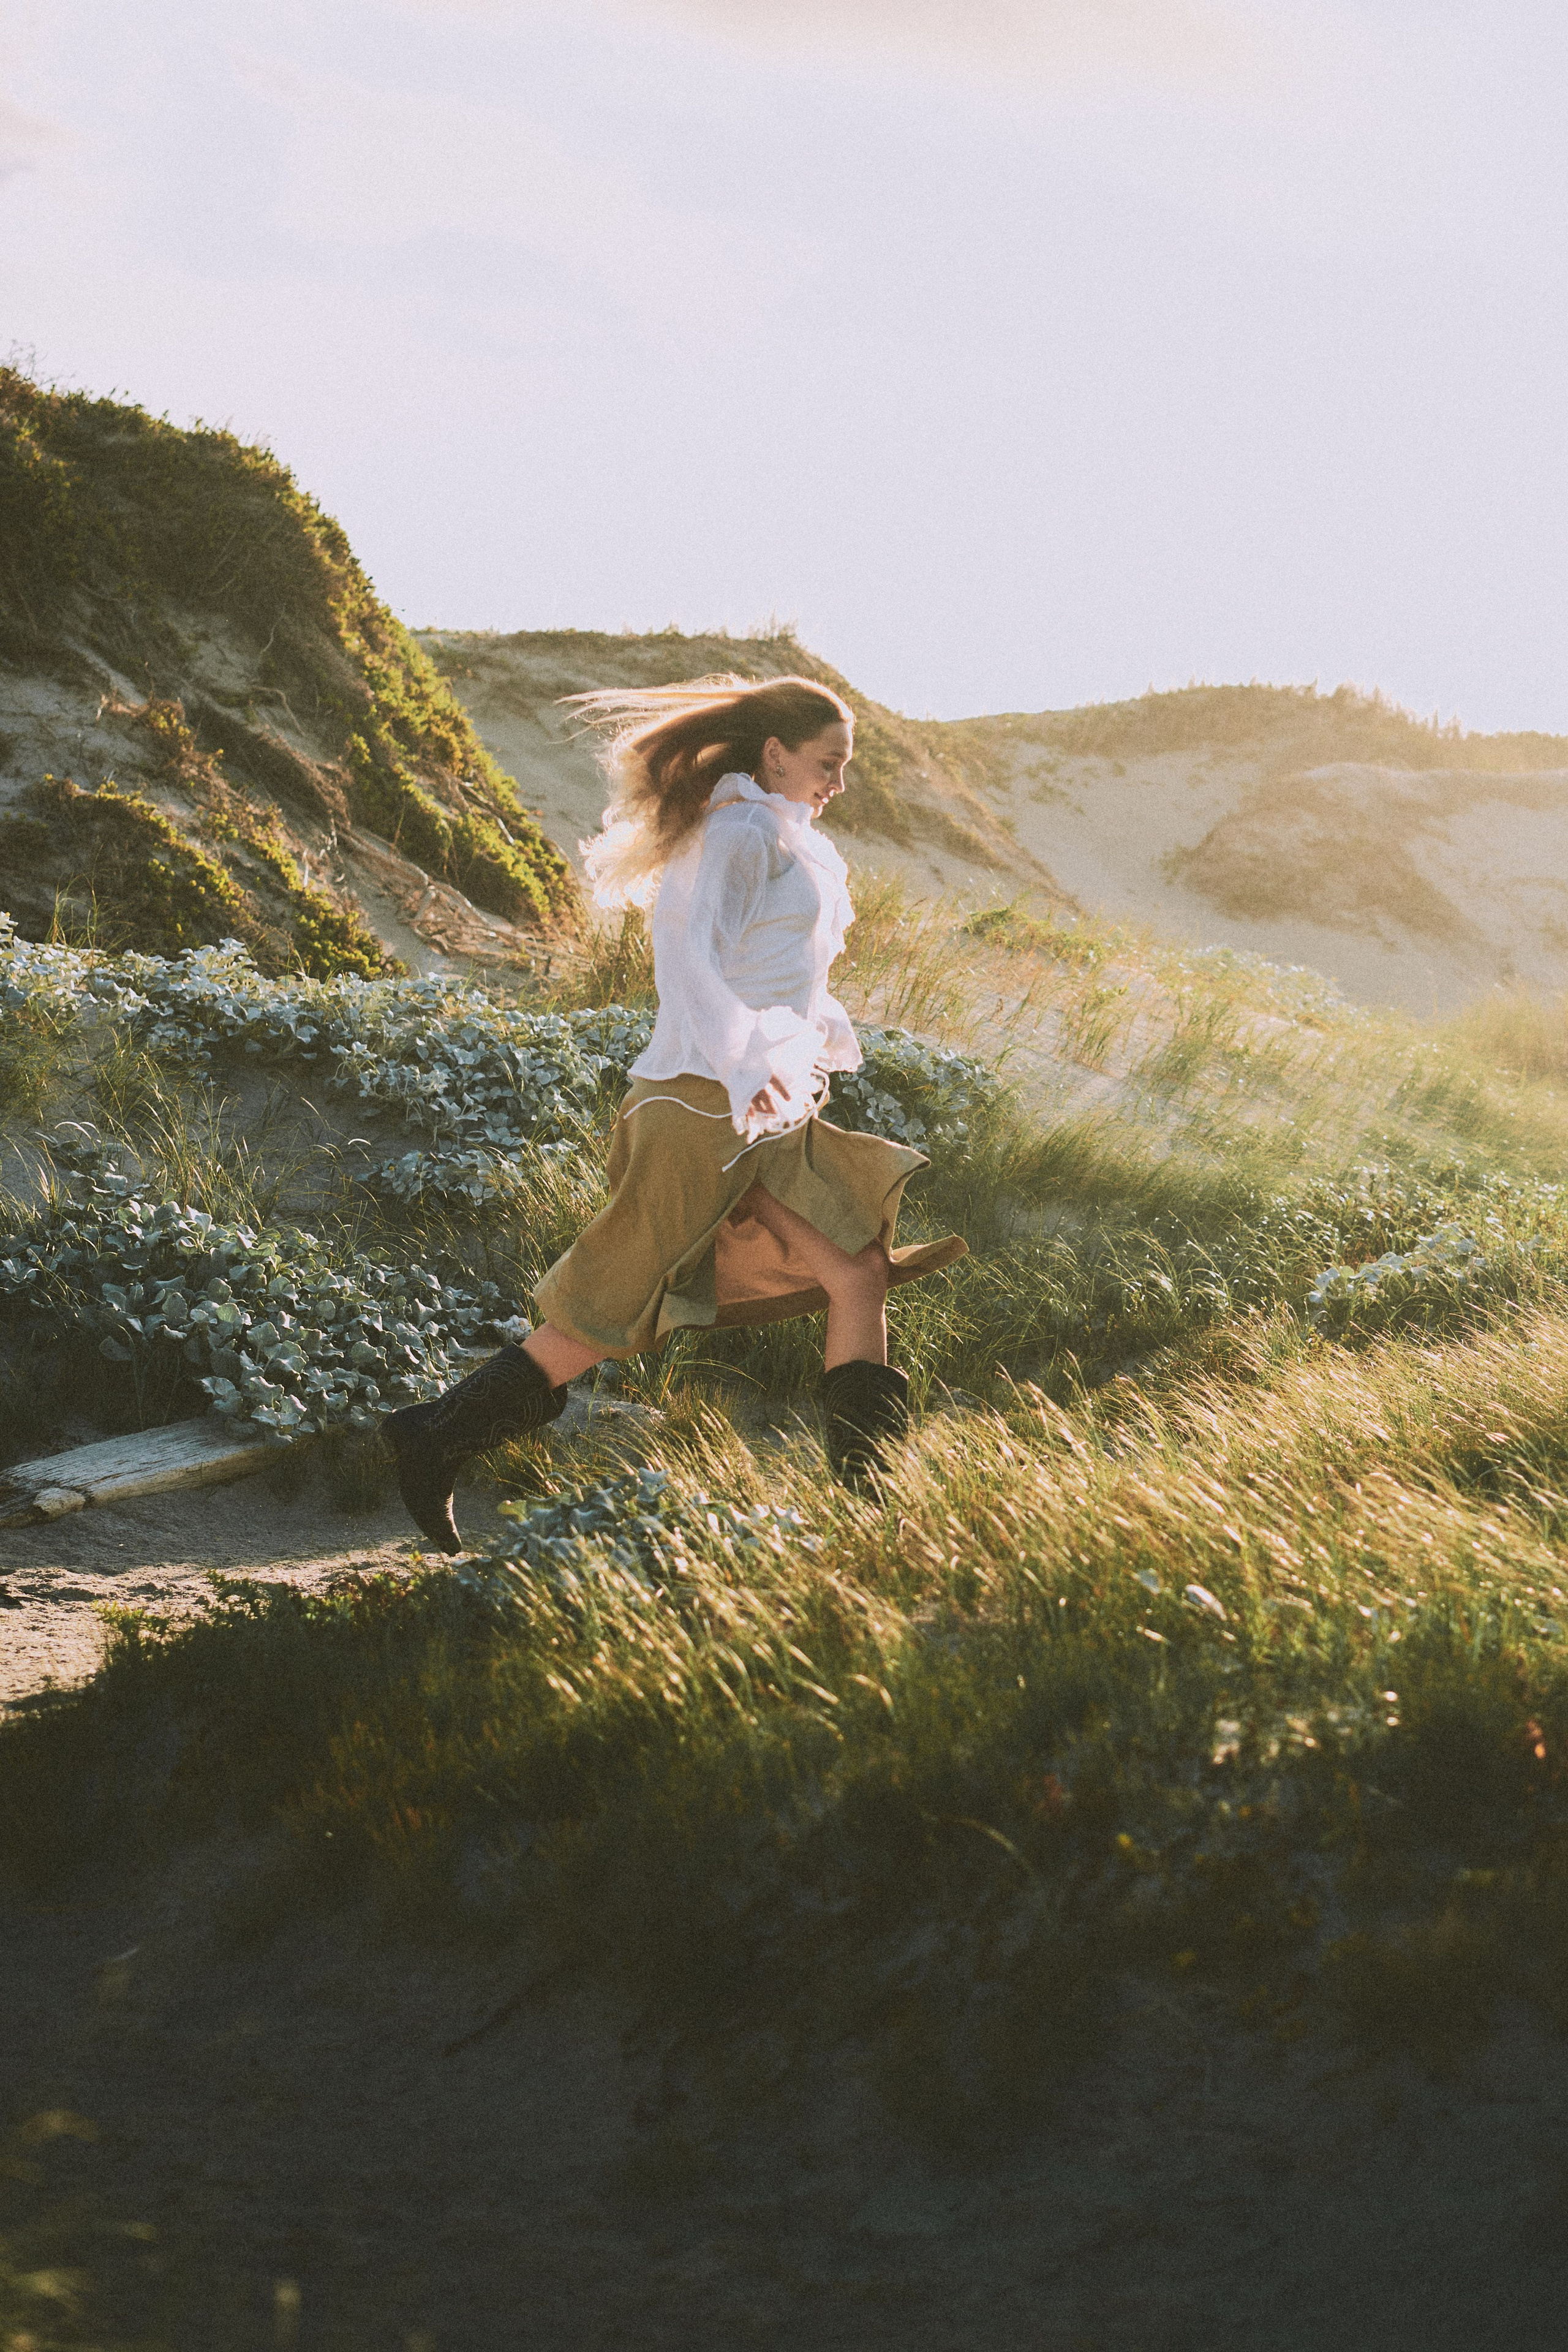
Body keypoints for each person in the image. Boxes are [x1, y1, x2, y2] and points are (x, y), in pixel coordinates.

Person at [383, 674, 967, 1553]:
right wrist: (743, 1062)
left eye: (844, 766)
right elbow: (688, 957)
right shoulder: (735, 833)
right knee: (611, 1311)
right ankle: (434, 1437)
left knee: (858, 1273)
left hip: (761, 1112)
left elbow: (773, 968)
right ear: (776, 754)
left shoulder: (782, 837)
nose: (839, 783)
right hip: (702, 1106)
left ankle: (872, 1508)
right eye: (828, 763)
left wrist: (802, 1044)